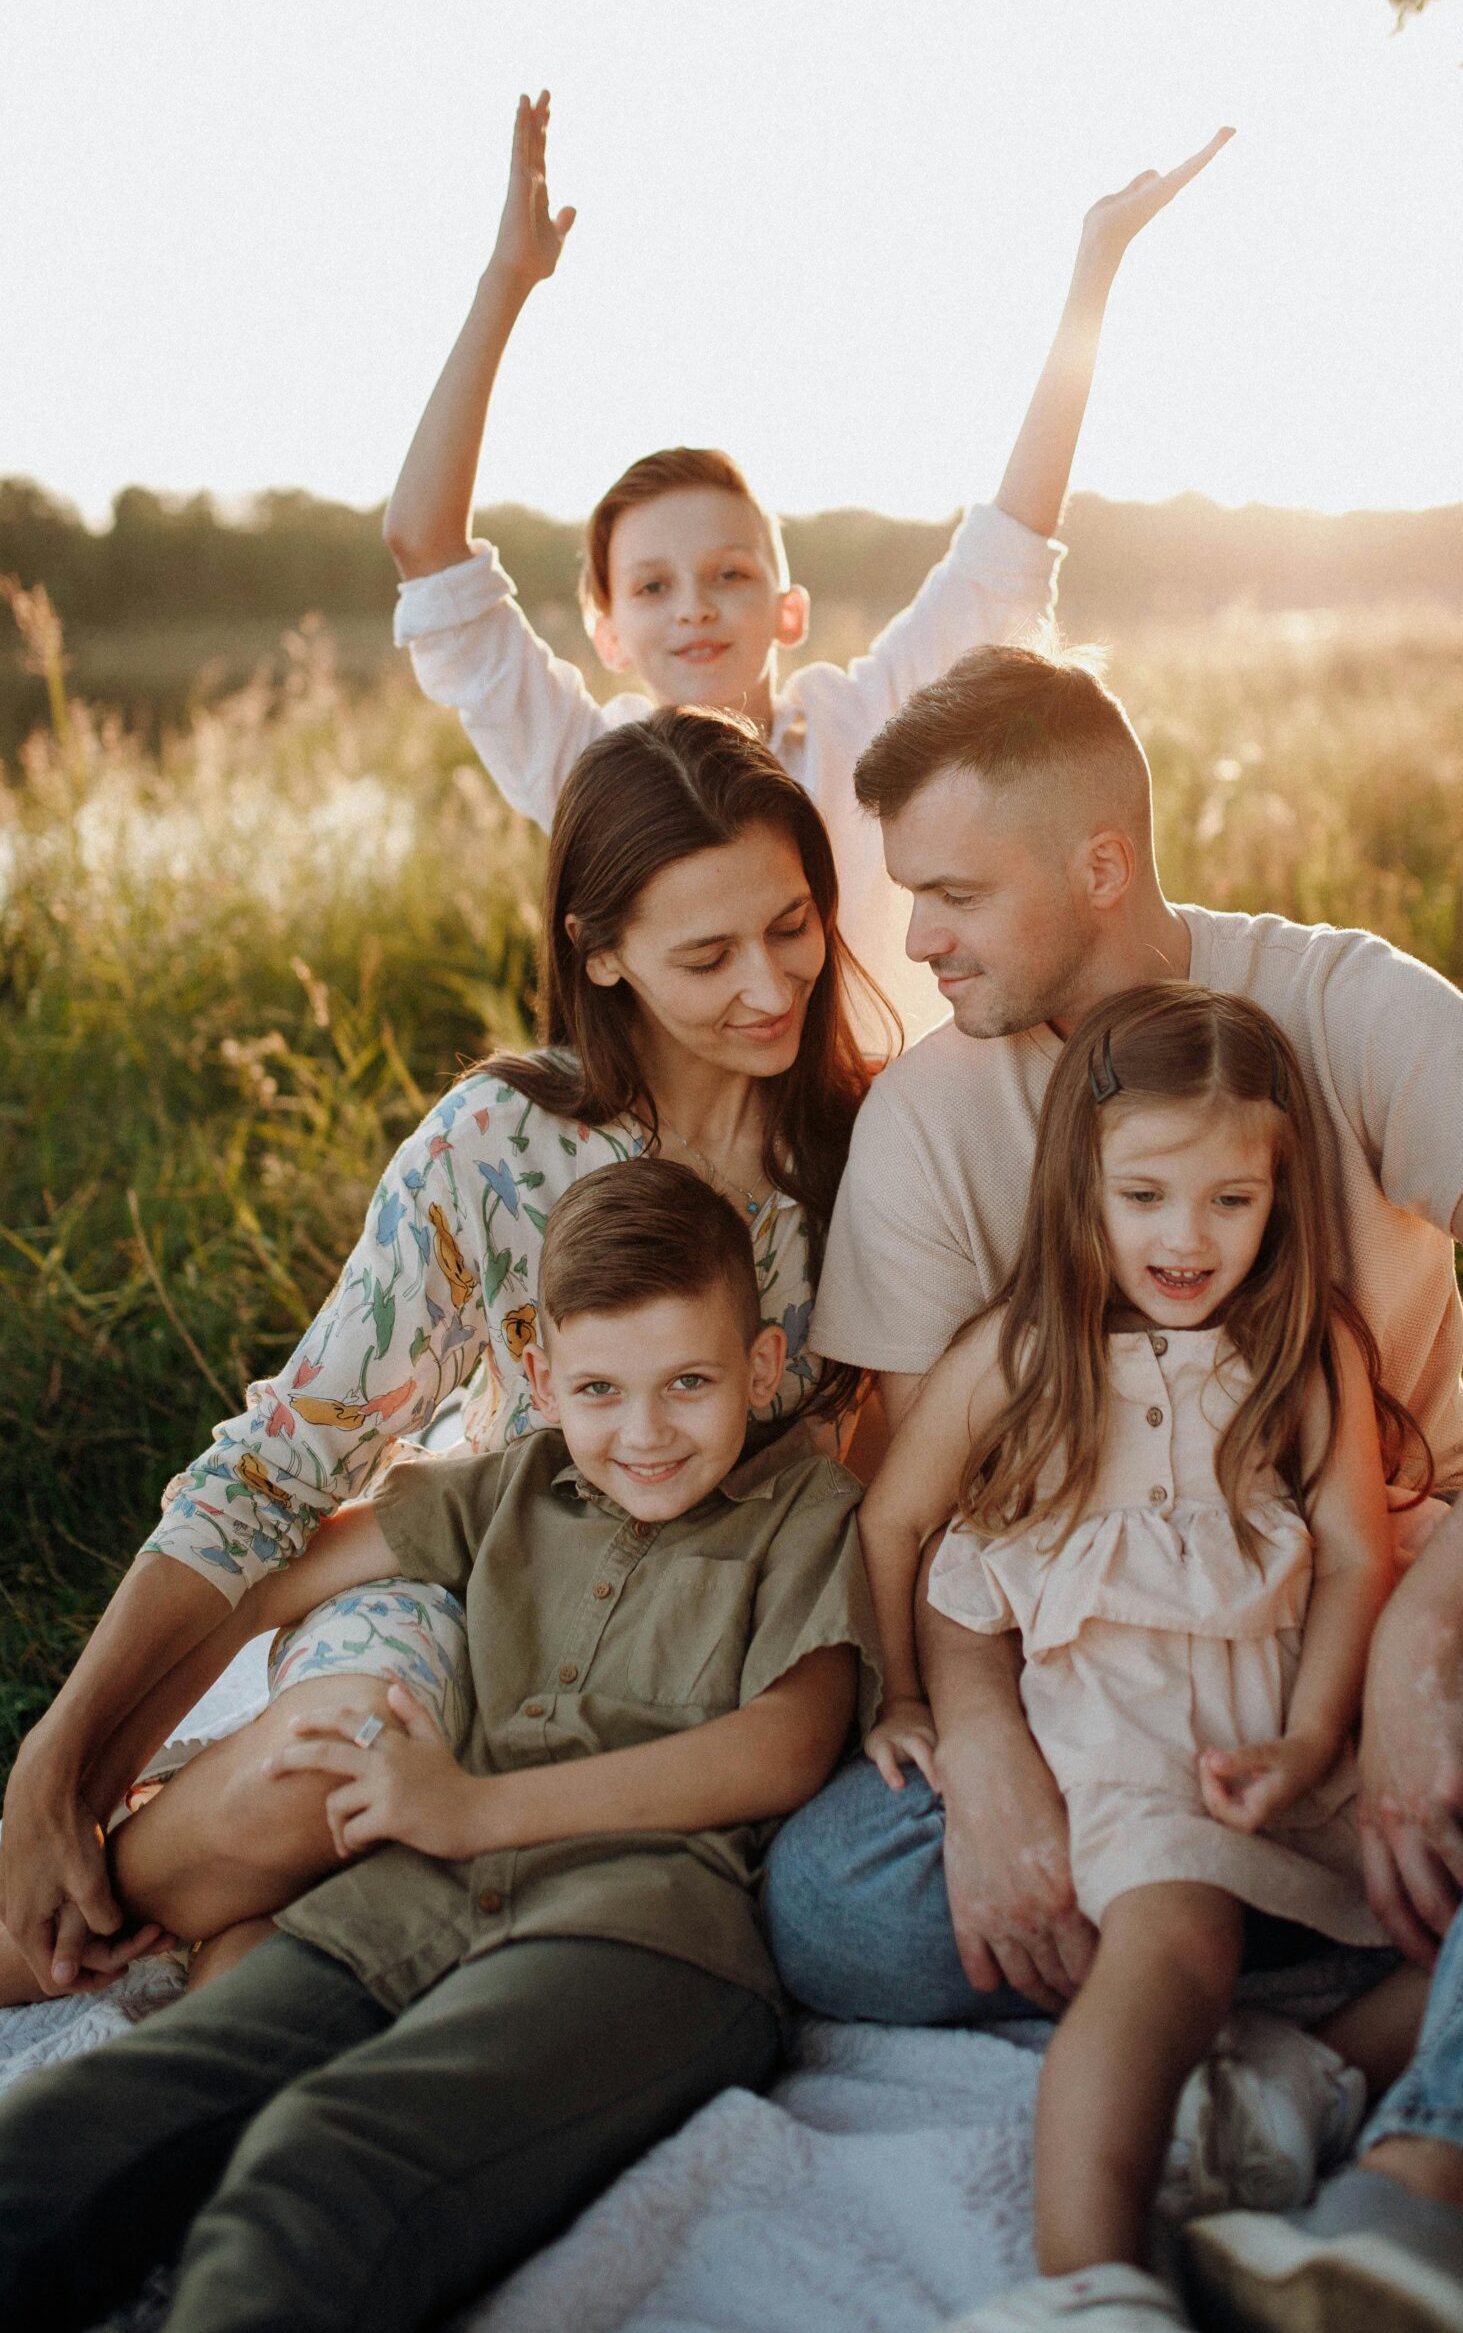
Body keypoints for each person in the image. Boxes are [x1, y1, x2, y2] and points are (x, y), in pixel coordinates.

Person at [767, 645, 1463, 2333]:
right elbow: (951, 1530)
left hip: (1414, 1612)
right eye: (913, 897)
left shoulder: (1351, 1004)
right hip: (1116, 1699)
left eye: (957, 893)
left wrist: (1421, 1644)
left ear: (1099, 867)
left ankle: (1432, 2182)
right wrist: (978, 1754)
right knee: (831, 1900)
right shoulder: (928, 1118)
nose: (918, 942)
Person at [0, 706, 870, 2001]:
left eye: (791, 924)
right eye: (706, 954)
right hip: (455, 1580)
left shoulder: (857, 1158)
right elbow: (284, 1459)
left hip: (678, 1638)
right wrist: (52, 1770)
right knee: (332, 1767)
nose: (768, 983)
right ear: (605, 954)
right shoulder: (497, 1144)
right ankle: (50, 1915)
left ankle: (210, 1940)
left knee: (357, 1916)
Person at [0, 1159, 881, 2333]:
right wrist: (88, 1776)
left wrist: (470, 1810)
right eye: (602, 1389)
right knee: (105, 2111)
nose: (647, 1430)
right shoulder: (514, 1486)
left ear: (761, 1369)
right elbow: (261, 1589)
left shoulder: (806, 1513)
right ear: (543, 1380)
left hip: (641, 1934)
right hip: (401, 1906)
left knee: (318, 2167)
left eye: (689, 1381)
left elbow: (781, 1747)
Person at [381, 90, 1234, 1039]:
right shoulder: (591, 770)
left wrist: (1094, 269)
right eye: (653, 587)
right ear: (607, 631)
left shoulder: (868, 726)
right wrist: (507, 280)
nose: (694, 608)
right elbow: (427, 549)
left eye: (729, 574)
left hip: (899, 1144)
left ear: (789, 611)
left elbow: (1007, 544)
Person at [858, 984, 1451, 2331]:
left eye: (1227, 1203)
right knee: (1170, 1945)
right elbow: (893, 1520)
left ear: (1276, 1194)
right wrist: (905, 1699)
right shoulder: (1019, 1358)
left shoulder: (1299, 1360)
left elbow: (1357, 1558)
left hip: (1295, 1728)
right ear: (1079, 1188)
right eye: (1143, 1198)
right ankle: (1092, 2279)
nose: (1184, 1239)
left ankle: (1292, 2078)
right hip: (1122, 1733)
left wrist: (1311, 1738)